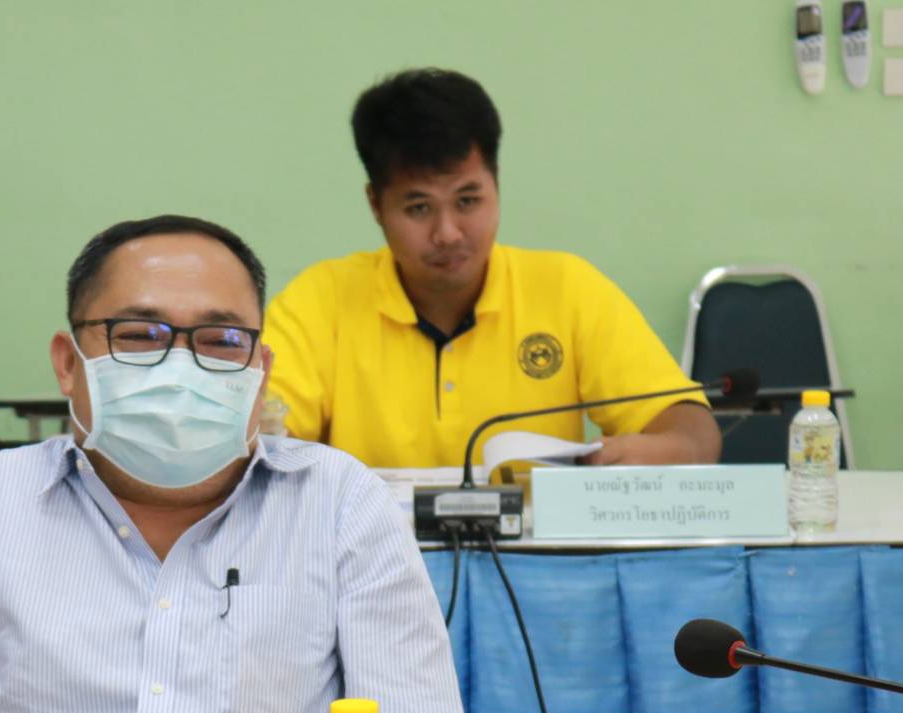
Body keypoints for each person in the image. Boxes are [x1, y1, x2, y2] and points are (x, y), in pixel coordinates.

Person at [0, 215, 471, 713]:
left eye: (221, 339)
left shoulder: (341, 502)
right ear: (68, 363)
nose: (181, 367)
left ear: (260, 370)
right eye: (140, 335)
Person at [264, 69, 721, 470]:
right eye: (419, 207)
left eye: (468, 201)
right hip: (367, 544)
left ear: (496, 185)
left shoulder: (566, 288)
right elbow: (262, 436)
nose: (448, 233)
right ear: (376, 206)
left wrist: (667, 448)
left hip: (538, 545)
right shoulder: (321, 300)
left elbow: (692, 429)